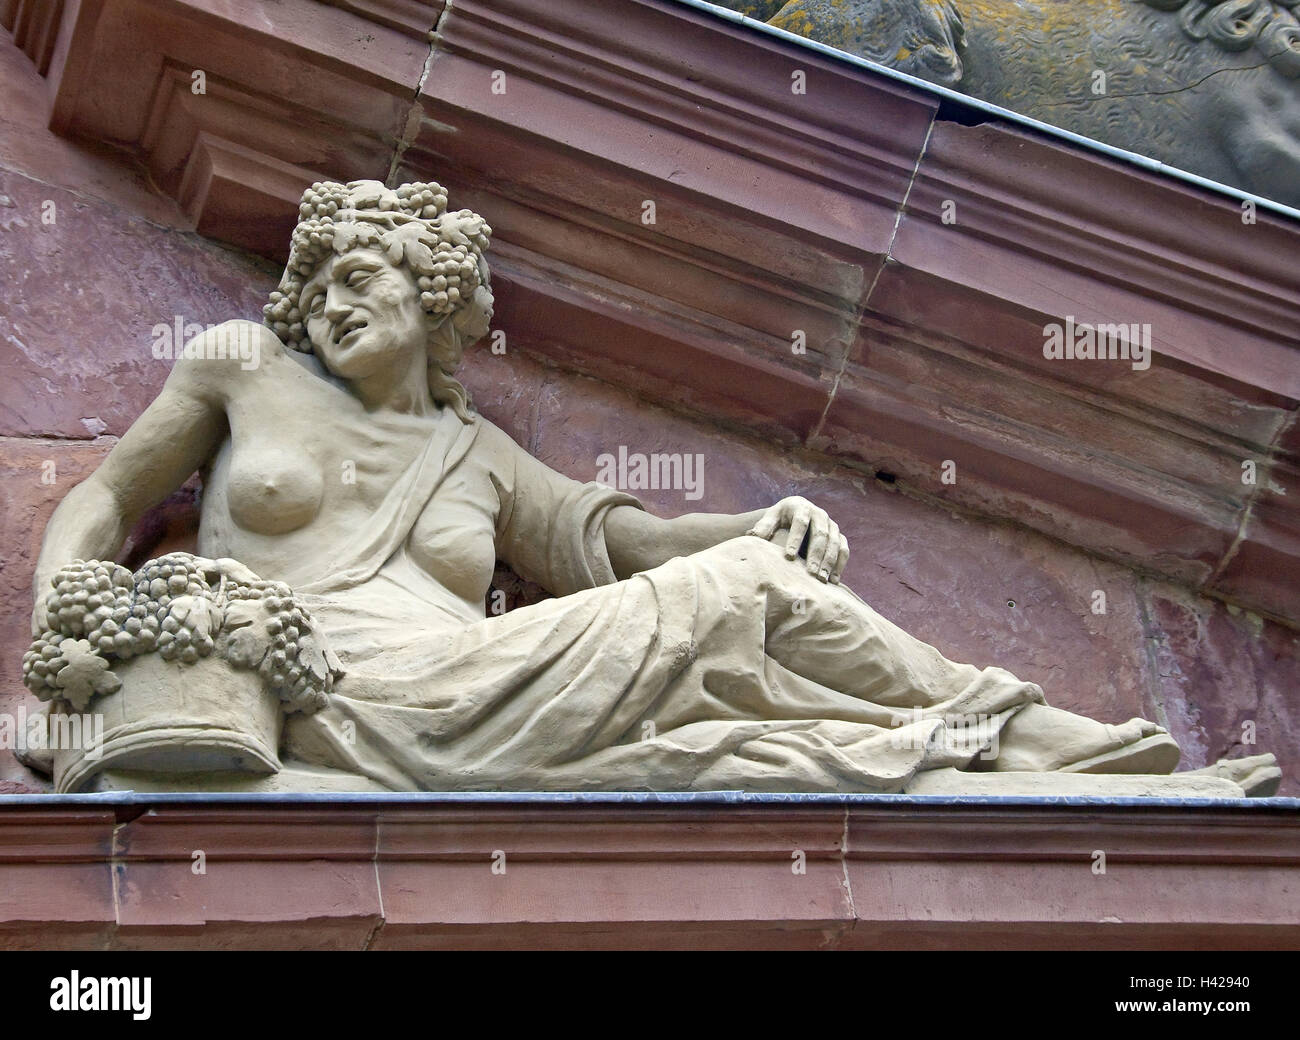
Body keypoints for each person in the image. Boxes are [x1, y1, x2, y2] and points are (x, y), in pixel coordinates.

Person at [27, 180, 1278, 795]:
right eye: (323, 282)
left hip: (480, 676)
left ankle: (1067, 758)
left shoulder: (477, 454)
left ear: (436, 298)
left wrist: (752, 523)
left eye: (367, 274)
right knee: (739, 655)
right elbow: (101, 499)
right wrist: (63, 629)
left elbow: (609, 538)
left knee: (752, 605)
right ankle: (1051, 764)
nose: (336, 298)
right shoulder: (241, 366)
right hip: (333, 687)